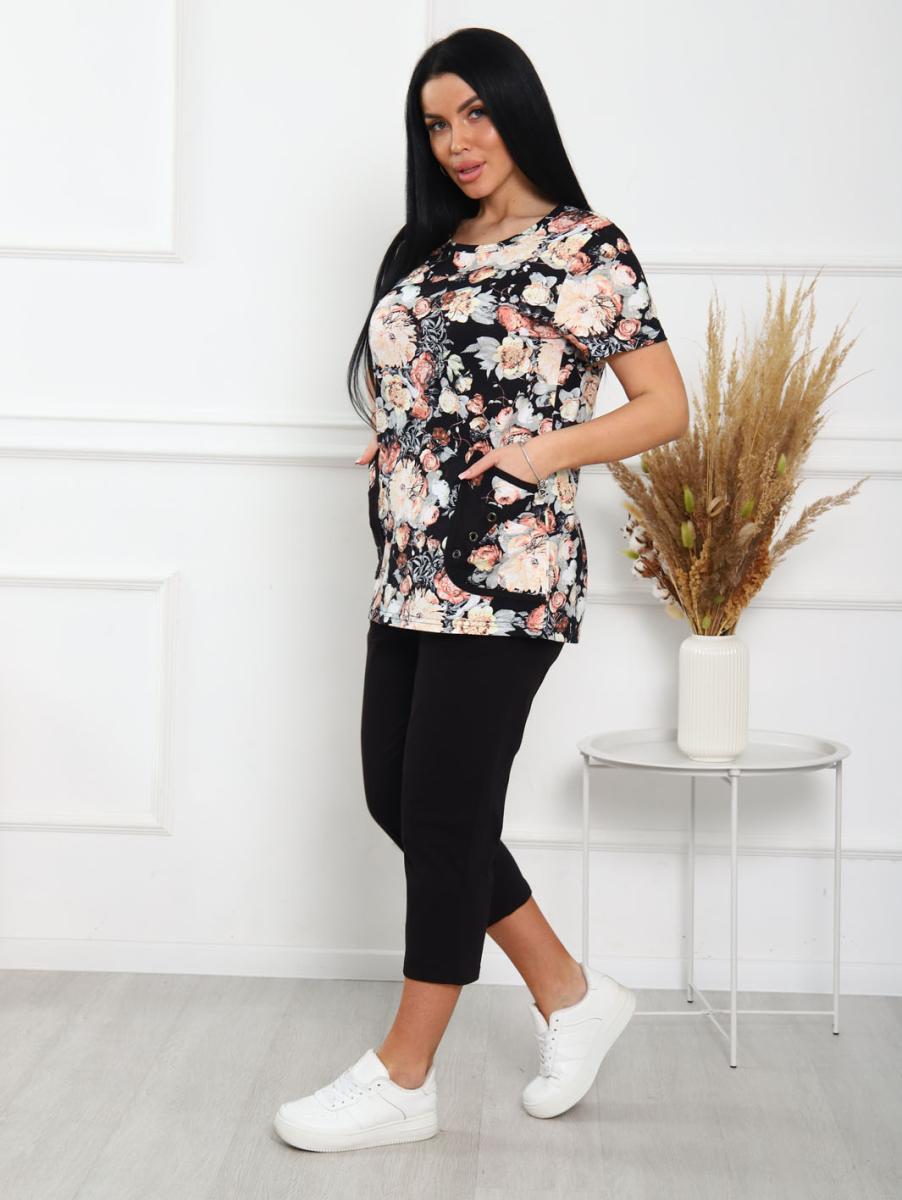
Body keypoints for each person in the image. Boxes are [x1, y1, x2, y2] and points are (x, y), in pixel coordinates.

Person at [274, 26, 688, 1153]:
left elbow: (664, 405)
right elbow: (432, 379)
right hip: (410, 565)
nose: (455, 141)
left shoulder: (585, 249)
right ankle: (569, 994)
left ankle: (404, 1077)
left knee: (446, 814)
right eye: (434, 124)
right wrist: (399, 437)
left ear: (516, 111)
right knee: (396, 798)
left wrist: (542, 451)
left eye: (474, 113)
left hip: (511, 572)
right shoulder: (426, 244)